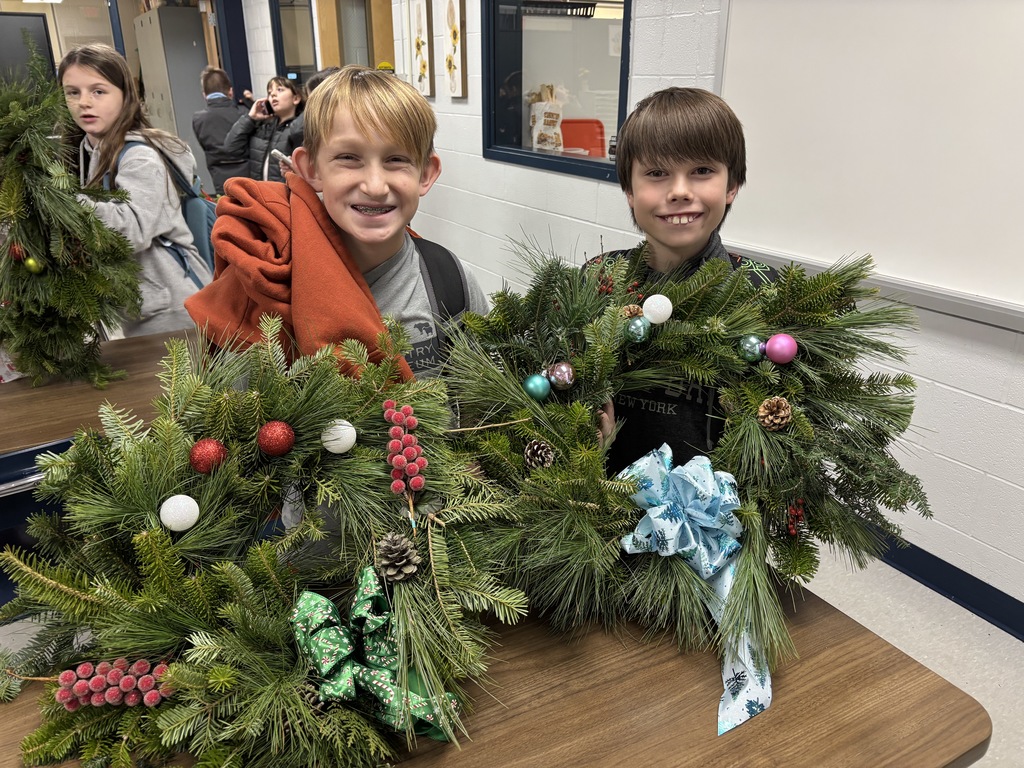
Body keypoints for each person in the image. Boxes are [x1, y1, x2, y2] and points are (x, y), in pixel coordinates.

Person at [184, 65, 489, 380]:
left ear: (425, 174)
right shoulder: (261, 290)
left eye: (396, 160)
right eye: (349, 158)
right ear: (311, 169)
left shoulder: (451, 282)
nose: (375, 186)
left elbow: (486, 400)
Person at [591, 87, 774, 473]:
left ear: (731, 186)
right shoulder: (597, 280)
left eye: (702, 171)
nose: (679, 191)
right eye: (657, 173)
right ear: (629, 190)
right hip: (598, 500)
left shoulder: (766, 294)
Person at [59, 43, 211, 337]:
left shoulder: (139, 157)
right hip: (143, 303)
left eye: (98, 91)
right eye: (72, 92)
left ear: (125, 94)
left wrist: (60, 203)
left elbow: (133, 230)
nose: (84, 102)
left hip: (172, 306)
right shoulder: (90, 150)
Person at [223, 76, 304, 183]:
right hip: (260, 190)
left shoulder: (299, 128)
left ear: (296, 98)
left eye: (280, 90)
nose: (273, 94)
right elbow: (230, 148)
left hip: (285, 191)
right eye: (270, 93)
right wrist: (250, 118)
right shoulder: (262, 126)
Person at [191, 66, 249, 194]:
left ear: (204, 95)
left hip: (218, 174)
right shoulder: (245, 113)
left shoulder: (198, 119)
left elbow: (204, 145)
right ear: (230, 92)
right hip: (247, 172)